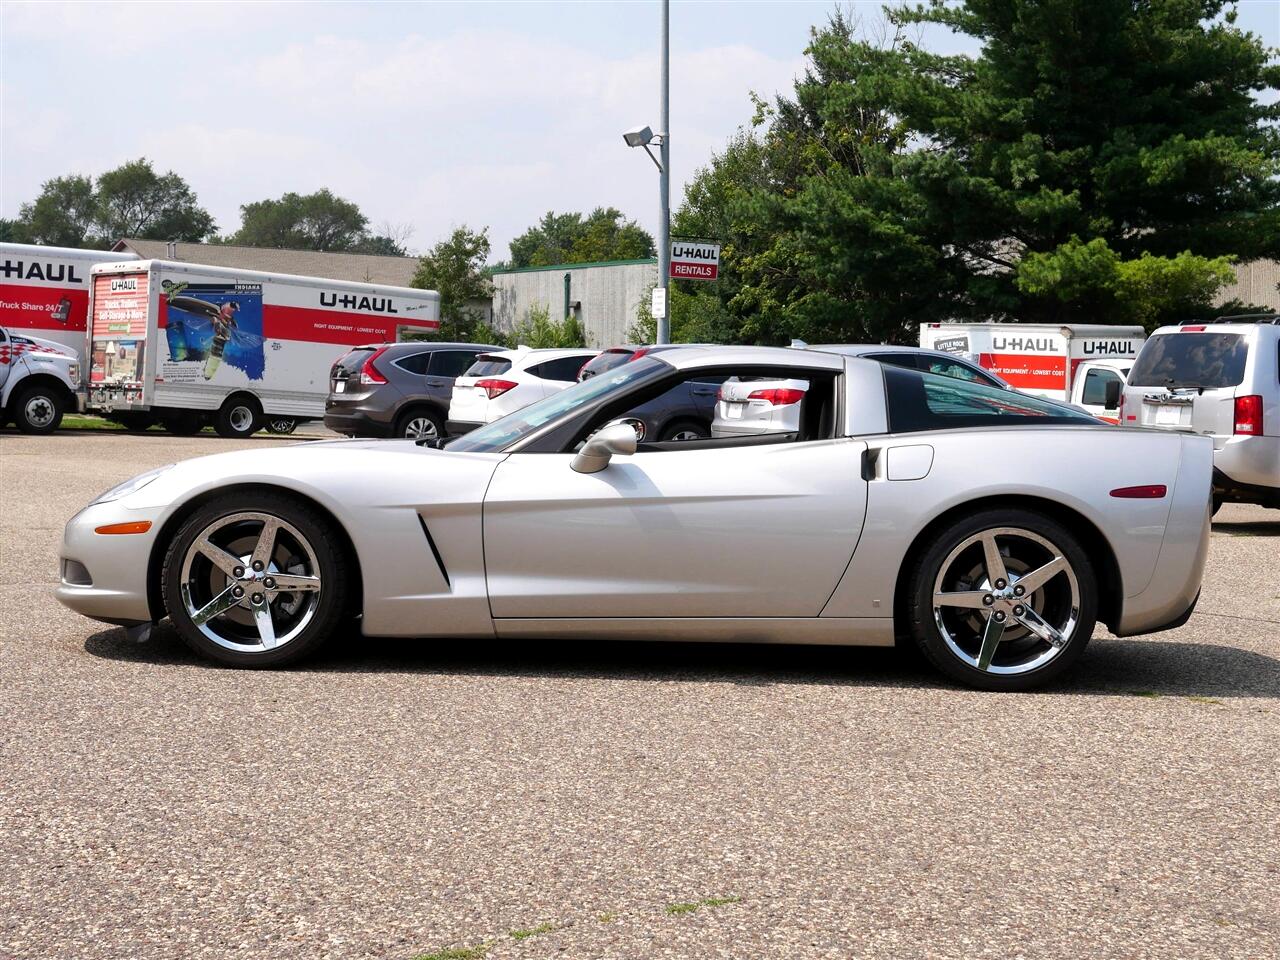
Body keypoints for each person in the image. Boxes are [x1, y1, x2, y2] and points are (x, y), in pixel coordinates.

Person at [203, 301, 240, 380]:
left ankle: (208, 373)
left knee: (220, 329)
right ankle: (208, 373)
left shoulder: (227, 322)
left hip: (220, 339)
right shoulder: (220, 319)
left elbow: (232, 326)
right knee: (218, 326)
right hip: (219, 340)